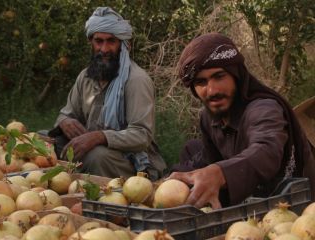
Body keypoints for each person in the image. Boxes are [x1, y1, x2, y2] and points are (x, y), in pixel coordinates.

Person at [169, 32, 315, 209]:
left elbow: (266, 149)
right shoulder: (208, 117)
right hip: (246, 204)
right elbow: (209, 158)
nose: (212, 90)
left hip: (291, 208)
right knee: (191, 149)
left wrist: (220, 173)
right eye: (201, 82)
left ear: (236, 75)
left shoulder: (264, 109)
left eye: (219, 76)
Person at [48, 7, 167, 180]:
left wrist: (100, 136)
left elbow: (142, 135)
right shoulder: (85, 77)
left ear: (124, 44)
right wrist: (65, 122)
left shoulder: (136, 80)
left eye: (111, 41)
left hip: (131, 160)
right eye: (99, 41)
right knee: (44, 142)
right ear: (91, 42)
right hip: (93, 149)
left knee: (97, 156)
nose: (104, 49)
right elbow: (66, 114)